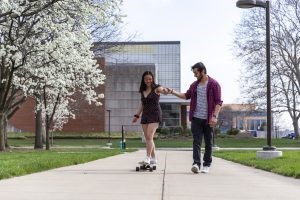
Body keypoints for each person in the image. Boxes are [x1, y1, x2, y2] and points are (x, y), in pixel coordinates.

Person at [167, 62, 222, 173]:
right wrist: (172, 91)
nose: (194, 75)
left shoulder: (214, 84)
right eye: (194, 73)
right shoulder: (194, 85)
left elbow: (218, 102)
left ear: (203, 71)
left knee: (208, 142)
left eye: (196, 73)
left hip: (208, 119)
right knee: (196, 142)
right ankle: (196, 163)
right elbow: (186, 96)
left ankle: (207, 164)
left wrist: (215, 116)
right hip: (196, 118)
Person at [132, 71, 168, 165]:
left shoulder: (157, 88)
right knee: (148, 138)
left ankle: (147, 158)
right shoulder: (143, 91)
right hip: (145, 115)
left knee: (149, 136)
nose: (148, 81)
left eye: (150, 79)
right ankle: (154, 158)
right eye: (146, 79)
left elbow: (163, 90)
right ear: (143, 80)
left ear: (152, 79)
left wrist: (166, 91)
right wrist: (137, 115)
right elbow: (142, 104)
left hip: (155, 114)